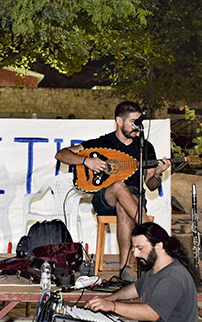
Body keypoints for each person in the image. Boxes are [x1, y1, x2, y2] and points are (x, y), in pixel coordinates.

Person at [55, 101, 170, 281]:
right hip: (105, 198)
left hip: (134, 199)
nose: (137, 127)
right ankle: (154, 233)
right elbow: (61, 154)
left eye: (139, 123)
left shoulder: (145, 148)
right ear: (119, 121)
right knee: (118, 186)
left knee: (123, 206)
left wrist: (157, 174)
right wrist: (86, 161)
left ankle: (124, 268)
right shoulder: (103, 143)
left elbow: (151, 185)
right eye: (133, 122)